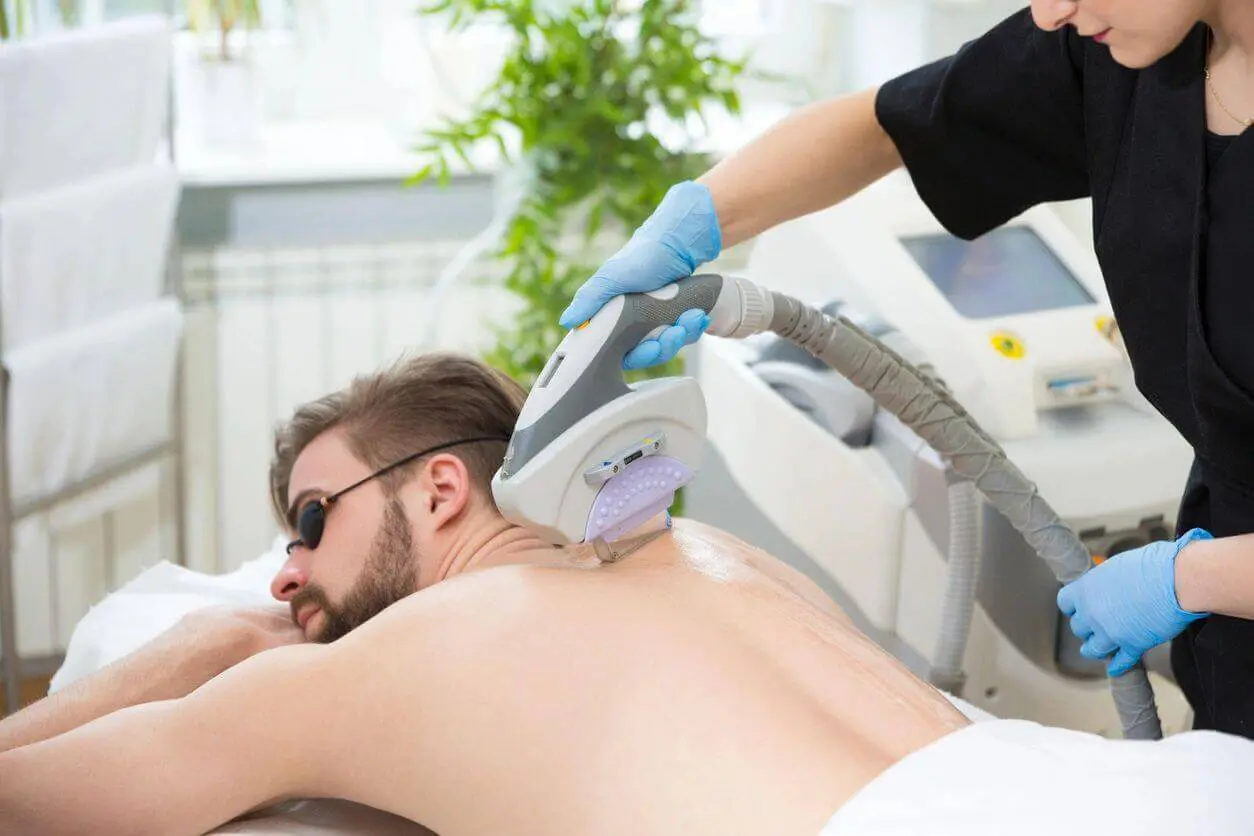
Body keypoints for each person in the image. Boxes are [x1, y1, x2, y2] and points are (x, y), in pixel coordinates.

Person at [6, 352, 1252, 835]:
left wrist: (206, 642)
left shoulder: (384, 660)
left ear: (442, 489)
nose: (284, 572)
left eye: (311, 521)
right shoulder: (708, 560)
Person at [557, 0, 1254, 740]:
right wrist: (695, 221)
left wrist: (1192, 579)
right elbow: (893, 126)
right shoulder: (1125, 50)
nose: (1050, 14)